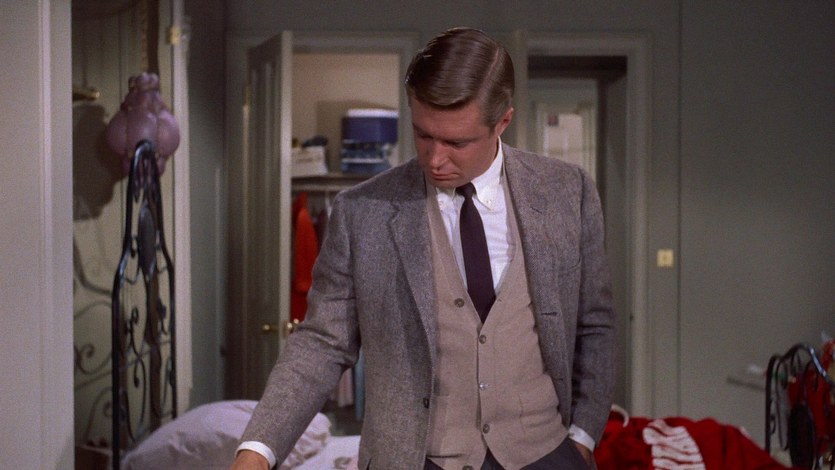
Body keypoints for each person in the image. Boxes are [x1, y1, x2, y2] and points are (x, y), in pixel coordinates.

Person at [232, 27, 615, 470]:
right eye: (423, 135)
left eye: (456, 143)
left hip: (544, 453)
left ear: (503, 122)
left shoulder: (567, 191)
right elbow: (322, 342)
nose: (434, 159)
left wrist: (583, 435)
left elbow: (595, 324)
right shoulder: (362, 211)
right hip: (419, 459)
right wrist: (257, 449)